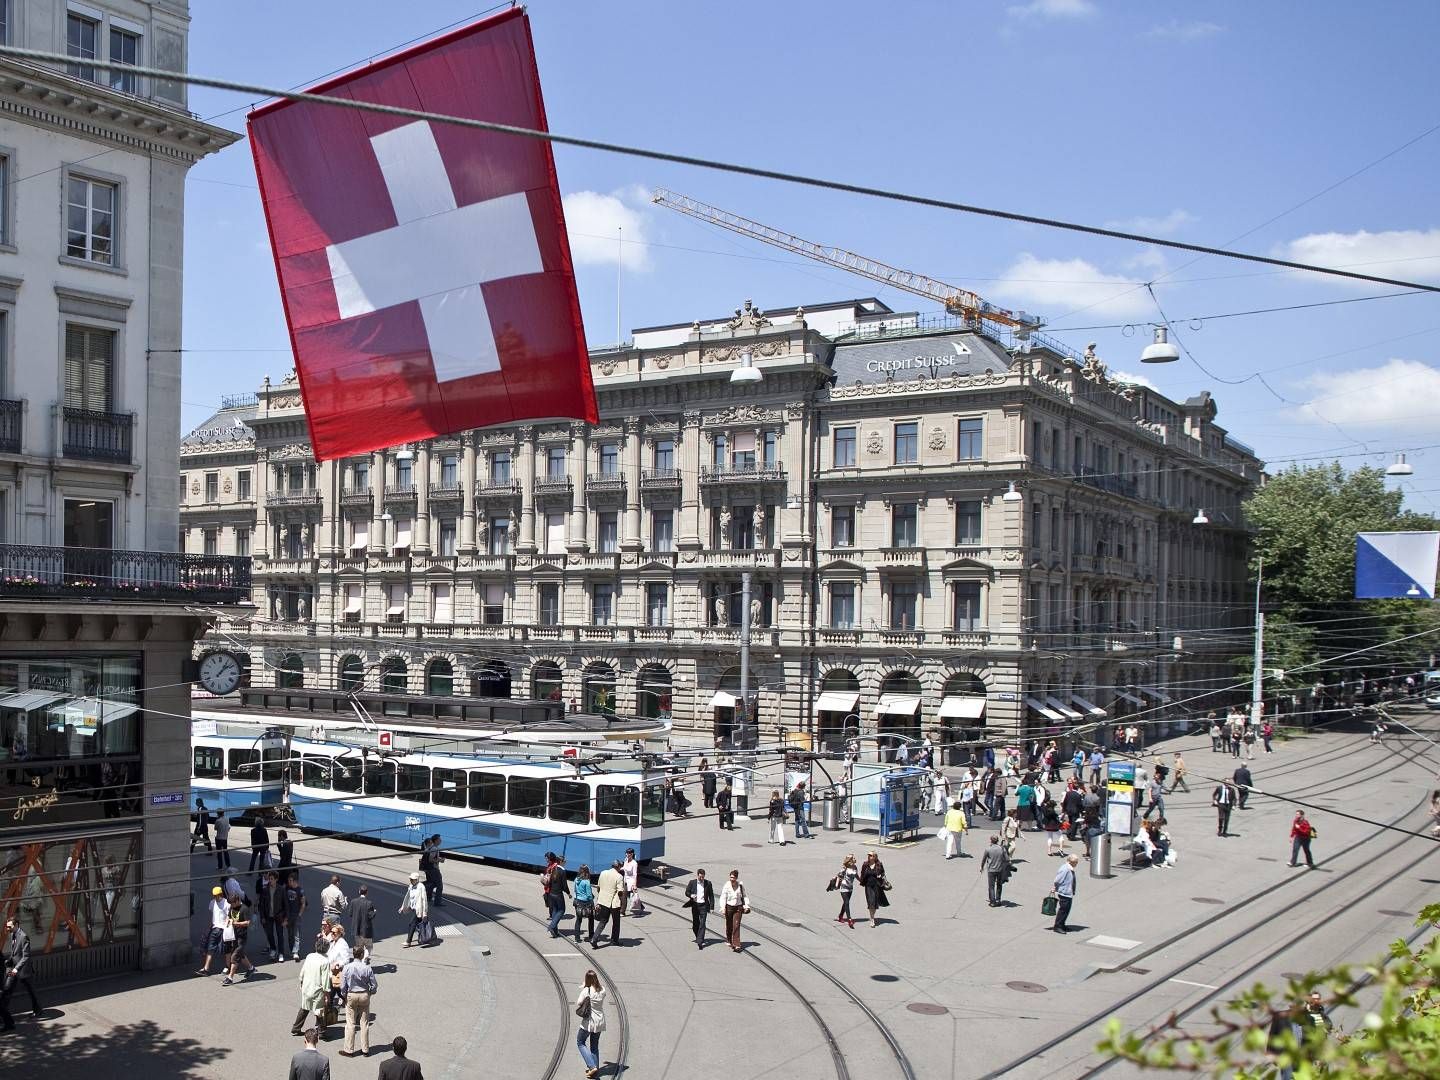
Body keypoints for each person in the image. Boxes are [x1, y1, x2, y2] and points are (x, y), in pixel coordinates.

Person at [1, 916, 40, 1031]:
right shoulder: (13, 933)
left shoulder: (24, 936)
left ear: (16, 925)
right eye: (7, 927)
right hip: (13, 967)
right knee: (7, 989)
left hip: (23, 970)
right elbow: (15, 952)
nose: (7, 929)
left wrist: (16, 969)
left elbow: (26, 956)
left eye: (9, 927)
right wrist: (9, 960)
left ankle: (38, 1010)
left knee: (31, 990)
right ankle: (4, 1012)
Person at [339, 947, 378, 1058]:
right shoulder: (367, 968)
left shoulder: (347, 968)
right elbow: (374, 985)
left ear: (354, 954)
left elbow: (343, 986)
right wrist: (371, 992)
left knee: (350, 1023)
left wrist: (344, 995)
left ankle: (349, 1050)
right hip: (364, 995)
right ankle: (365, 1049)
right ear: (361, 955)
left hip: (351, 995)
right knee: (364, 1023)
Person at [292, 941, 332, 1036]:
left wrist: (301, 981)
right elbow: (325, 980)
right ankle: (321, 1031)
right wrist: (327, 994)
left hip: (307, 986)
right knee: (319, 1011)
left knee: (304, 1007)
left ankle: (296, 1027)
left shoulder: (310, 956)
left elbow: (303, 970)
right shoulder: (325, 961)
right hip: (317, 989)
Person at [574, 970, 607, 1079]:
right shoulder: (602, 989)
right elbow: (598, 993)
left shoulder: (586, 990)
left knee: (580, 1042)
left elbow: (579, 1003)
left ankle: (592, 1066)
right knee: (594, 1045)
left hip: (589, 1022)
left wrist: (585, 988)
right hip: (600, 1021)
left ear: (587, 979)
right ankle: (595, 1070)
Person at [196, 885, 230, 976]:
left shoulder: (227, 903)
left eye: (216, 895)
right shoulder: (212, 902)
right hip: (214, 928)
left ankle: (228, 967)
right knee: (210, 948)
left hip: (223, 929)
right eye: (214, 896)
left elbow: (229, 916)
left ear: (221, 894)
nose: (215, 897)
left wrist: (226, 927)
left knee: (225, 949)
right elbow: (212, 913)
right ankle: (206, 968)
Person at [222, 893, 256, 985]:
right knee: (240, 955)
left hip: (242, 937)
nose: (231, 905)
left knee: (234, 957)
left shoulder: (244, 909)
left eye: (232, 903)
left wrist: (236, 924)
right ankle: (251, 968)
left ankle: (230, 978)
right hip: (233, 936)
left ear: (237, 901)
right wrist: (227, 922)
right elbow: (229, 917)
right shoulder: (232, 907)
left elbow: (248, 922)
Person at [592, 860, 624, 947]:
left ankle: (594, 938)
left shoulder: (603, 873)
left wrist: (600, 897)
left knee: (603, 920)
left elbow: (598, 887)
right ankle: (614, 940)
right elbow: (620, 891)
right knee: (616, 922)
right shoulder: (619, 876)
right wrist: (621, 901)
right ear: (618, 867)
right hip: (614, 903)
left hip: (603, 901)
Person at [683, 868, 714, 948]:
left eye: (703, 877)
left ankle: (700, 941)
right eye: (700, 877)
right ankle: (698, 937)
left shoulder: (708, 883)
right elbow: (687, 892)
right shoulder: (692, 882)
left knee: (702, 923)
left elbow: (711, 896)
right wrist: (691, 895)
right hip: (695, 905)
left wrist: (711, 907)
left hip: (704, 906)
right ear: (697, 875)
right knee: (695, 924)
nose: (701, 878)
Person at [720, 869, 749, 952]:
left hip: (738, 908)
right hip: (729, 907)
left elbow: (745, 896)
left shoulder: (740, 886)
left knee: (736, 925)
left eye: (733, 877)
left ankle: (736, 945)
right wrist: (723, 908)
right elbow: (723, 897)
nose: (732, 879)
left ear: (736, 878)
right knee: (729, 925)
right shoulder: (727, 885)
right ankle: (729, 940)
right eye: (731, 877)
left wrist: (746, 906)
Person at [858, 852, 888, 928]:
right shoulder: (865, 864)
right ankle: (872, 919)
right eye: (868, 855)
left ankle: (872, 916)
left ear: (875, 857)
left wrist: (883, 880)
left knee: (875, 903)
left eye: (871, 855)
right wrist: (862, 881)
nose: (869, 856)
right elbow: (862, 873)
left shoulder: (879, 864)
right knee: (871, 902)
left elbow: (883, 873)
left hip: (877, 886)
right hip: (868, 886)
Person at [400, 871, 430, 947]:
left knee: (412, 924)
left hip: (418, 909)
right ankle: (426, 937)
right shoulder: (411, 886)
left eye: (412, 879)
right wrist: (403, 907)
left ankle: (408, 941)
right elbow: (408, 898)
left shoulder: (421, 887)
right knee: (421, 925)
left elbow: (424, 900)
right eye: (410, 879)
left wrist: (425, 912)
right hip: (413, 908)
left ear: (417, 880)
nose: (411, 880)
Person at [544, 854, 571, 937]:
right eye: (564, 861)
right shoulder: (562, 871)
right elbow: (564, 885)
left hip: (551, 893)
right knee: (562, 910)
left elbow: (550, 881)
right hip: (558, 894)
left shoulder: (553, 868)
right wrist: (568, 893)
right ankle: (552, 926)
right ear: (561, 862)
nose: (565, 862)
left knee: (555, 910)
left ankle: (555, 932)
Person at [1051, 853, 1079, 933]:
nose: (1076, 864)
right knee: (1063, 910)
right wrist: (1055, 888)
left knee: (1066, 910)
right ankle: (1057, 926)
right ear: (1070, 862)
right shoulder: (1065, 869)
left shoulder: (1070, 868)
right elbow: (1057, 880)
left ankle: (1062, 924)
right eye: (1075, 862)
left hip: (1068, 892)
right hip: (1064, 892)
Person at [283, 870, 307, 961]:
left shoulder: (300, 890)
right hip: (288, 915)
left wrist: (299, 914)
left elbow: (303, 904)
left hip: (296, 916)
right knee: (290, 934)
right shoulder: (287, 888)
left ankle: (295, 952)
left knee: (297, 935)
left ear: (295, 881)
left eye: (290, 881)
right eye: (288, 880)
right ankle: (292, 949)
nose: (289, 882)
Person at [980, 834, 1009, 907]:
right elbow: (1007, 859)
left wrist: (981, 867)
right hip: (1000, 870)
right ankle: (998, 900)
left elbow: (984, 859)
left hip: (991, 870)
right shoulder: (1002, 849)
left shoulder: (988, 849)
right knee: (999, 885)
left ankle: (992, 902)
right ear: (997, 841)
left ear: (991, 840)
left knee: (991, 886)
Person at [350, 884, 376, 959]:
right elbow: (371, 916)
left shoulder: (353, 901)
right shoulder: (369, 903)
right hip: (366, 930)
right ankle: (364, 959)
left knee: (359, 947)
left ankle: (360, 960)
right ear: (366, 892)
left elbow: (350, 914)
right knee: (368, 947)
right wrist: (374, 912)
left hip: (356, 929)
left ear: (359, 891)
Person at [572, 865, 596, 945]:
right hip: (586, 903)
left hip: (578, 901)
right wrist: (592, 901)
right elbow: (589, 895)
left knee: (578, 919)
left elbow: (575, 890)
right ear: (587, 872)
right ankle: (591, 936)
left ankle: (577, 938)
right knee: (591, 918)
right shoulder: (587, 882)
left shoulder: (576, 879)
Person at [832, 855, 858, 927]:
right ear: (850, 860)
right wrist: (836, 885)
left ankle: (840, 916)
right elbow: (839, 876)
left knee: (845, 903)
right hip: (843, 887)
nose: (855, 859)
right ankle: (850, 920)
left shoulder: (855, 867)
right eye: (853, 858)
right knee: (847, 902)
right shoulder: (845, 868)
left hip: (850, 888)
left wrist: (862, 881)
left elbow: (856, 876)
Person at [420, 835, 444, 909]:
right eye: (440, 839)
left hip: (429, 869)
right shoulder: (434, 848)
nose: (441, 840)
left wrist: (439, 858)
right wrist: (439, 860)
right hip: (433, 869)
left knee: (432, 883)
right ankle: (437, 902)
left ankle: (427, 897)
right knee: (439, 885)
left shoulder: (431, 847)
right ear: (436, 840)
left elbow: (432, 857)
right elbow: (431, 860)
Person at [622, 848, 643, 915]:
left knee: (625, 896)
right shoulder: (626, 860)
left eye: (628, 853)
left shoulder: (634, 863)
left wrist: (634, 884)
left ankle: (622, 912)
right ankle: (641, 906)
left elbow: (635, 874)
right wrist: (619, 868)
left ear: (632, 854)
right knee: (630, 896)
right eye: (626, 853)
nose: (627, 855)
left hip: (631, 883)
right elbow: (624, 868)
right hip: (625, 880)